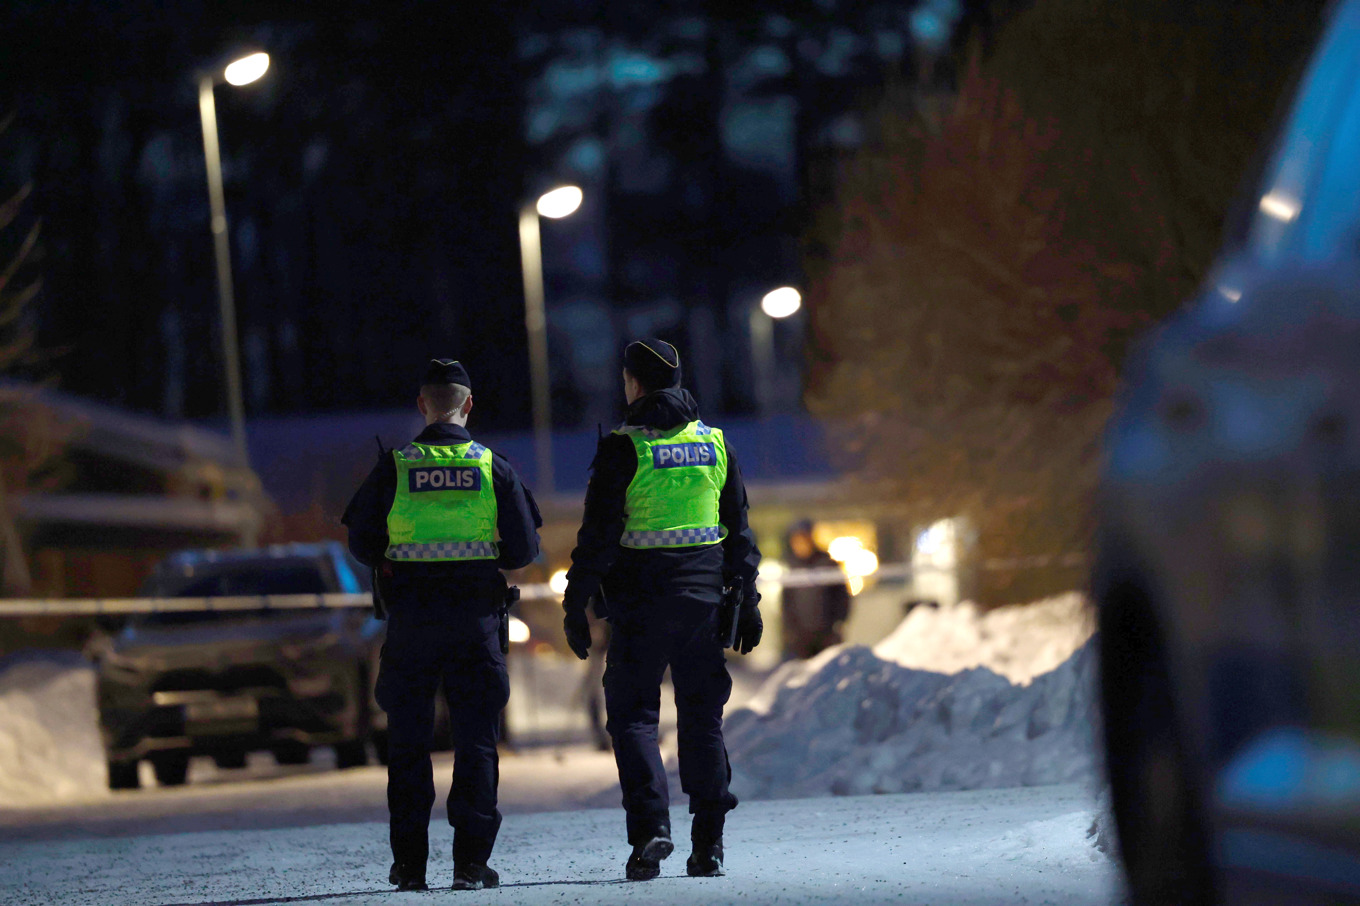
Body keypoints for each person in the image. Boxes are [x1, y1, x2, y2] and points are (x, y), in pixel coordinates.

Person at [561, 338, 762, 881]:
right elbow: (738, 533)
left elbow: (597, 539)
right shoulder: (715, 444)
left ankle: (651, 831)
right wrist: (750, 601)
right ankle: (710, 846)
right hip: (703, 605)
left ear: (634, 384)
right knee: (702, 719)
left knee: (633, 719)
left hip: (640, 608)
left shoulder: (623, 448)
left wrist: (576, 601)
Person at [342, 358, 541, 892]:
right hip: (475, 621)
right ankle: (471, 865)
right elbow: (523, 548)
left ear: (422, 405)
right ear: (468, 405)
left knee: (408, 744)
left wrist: (392, 555)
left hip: (411, 624)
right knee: (476, 742)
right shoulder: (493, 467)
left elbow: (360, 539)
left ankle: (409, 867)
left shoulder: (396, 466)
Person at [780, 519, 852, 659]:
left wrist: (838, 622)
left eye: (803, 539)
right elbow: (786, 601)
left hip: (826, 633)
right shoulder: (791, 567)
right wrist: (789, 629)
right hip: (801, 637)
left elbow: (842, 595)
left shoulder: (827, 564)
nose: (799, 544)